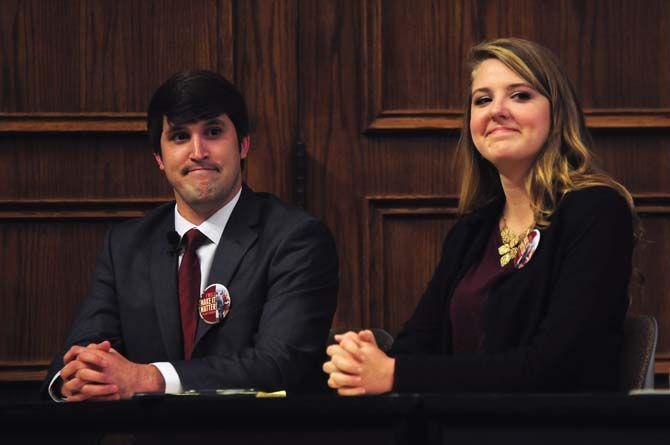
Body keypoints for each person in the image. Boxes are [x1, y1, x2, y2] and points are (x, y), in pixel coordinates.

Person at [323, 38, 637, 395]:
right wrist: (362, 359)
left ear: (557, 112)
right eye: (483, 99)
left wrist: (397, 373)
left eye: (520, 96)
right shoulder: (472, 231)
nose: (496, 111)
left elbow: (557, 366)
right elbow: (417, 346)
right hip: (464, 425)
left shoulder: (596, 210)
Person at [42, 70, 339, 401]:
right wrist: (73, 379)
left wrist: (151, 378)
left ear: (243, 144)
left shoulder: (296, 240)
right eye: (180, 137)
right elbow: (86, 346)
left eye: (213, 132)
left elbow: (279, 364)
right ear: (159, 157)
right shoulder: (126, 245)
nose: (198, 151)